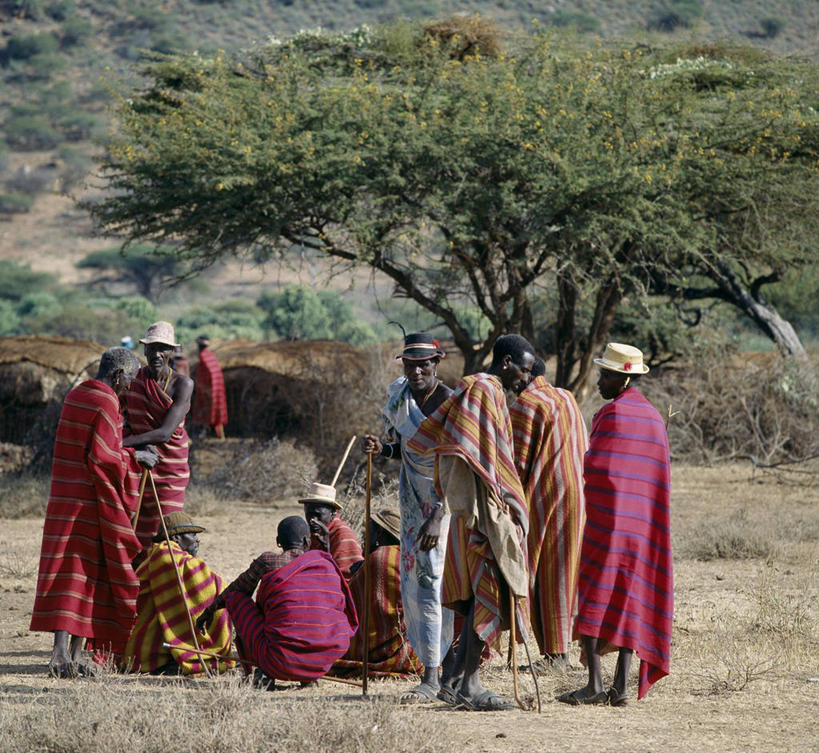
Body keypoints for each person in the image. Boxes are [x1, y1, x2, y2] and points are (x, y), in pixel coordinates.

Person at [407, 333, 535, 711]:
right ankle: (471, 685)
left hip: (480, 508)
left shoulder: (488, 391)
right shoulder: (482, 390)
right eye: (524, 371)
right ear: (507, 362)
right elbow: (458, 453)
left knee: (473, 593)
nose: (525, 380)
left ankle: (455, 678)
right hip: (477, 511)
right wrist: (439, 512)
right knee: (485, 590)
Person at [29, 347, 159, 678]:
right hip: (89, 500)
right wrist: (135, 458)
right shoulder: (105, 401)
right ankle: (61, 657)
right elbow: (103, 457)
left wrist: (126, 451)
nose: (129, 386)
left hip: (64, 498)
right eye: (129, 379)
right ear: (118, 376)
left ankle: (72, 657)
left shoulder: (77, 395)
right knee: (83, 573)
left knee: (74, 574)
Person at [559, 343, 673, 706]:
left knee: (593, 593)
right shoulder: (654, 418)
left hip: (608, 527)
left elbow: (594, 468)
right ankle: (620, 686)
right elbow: (657, 477)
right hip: (641, 527)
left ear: (624, 379)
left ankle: (594, 684)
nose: (599, 381)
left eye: (606, 375)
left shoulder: (611, 414)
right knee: (628, 598)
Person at [361, 332, 455, 703]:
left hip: (441, 504)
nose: (417, 370)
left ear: (436, 364)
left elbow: (454, 464)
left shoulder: (448, 403)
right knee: (416, 584)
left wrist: (439, 514)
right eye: (410, 363)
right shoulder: (401, 398)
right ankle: (436, 671)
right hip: (412, 502)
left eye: (424, 363)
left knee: (435, 584)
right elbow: (403, 448)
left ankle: (435, 677)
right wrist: (381, 449)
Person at [197, 516, 358, 682]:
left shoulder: (268, 561)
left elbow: (237, 589)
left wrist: (208, 612)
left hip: (277, 662)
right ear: (306, 541)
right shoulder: (323, 564)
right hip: (321, 664)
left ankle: (261, 671)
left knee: (236, 598)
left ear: (278, 541)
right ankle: (307, 678)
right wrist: (325, 548)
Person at [510, 356, 587, 671]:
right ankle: (561, 650)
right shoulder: (566, 396)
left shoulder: (525, 406)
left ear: (524, 373)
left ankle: (556, 656)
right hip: (579, 495)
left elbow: (515, 466)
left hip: (546, 499)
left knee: (544, 574)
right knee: (567, 572)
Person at [123, 512, 234, 675]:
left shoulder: (167, 556)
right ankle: (182, 655)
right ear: (175, 538)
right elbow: (212, 586)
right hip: (148, 652)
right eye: (192, 534)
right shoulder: (165, 556)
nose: (197, 540)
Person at [123, 321, 193, 549]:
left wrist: (123, 444)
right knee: (135, 530)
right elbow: (121, 416)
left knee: (168, 530)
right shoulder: (133, 380)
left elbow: (164, 433)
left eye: (162, 348)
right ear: (144, 350)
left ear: (172, 351)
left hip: (170, 468)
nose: (156, 353)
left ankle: (169, 577)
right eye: (151, 348)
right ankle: (140, 580)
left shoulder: (183, 384)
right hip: (137, 465)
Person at [330, 508, 422, 679]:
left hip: (382, 652)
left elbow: (350, 605)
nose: (365, 536)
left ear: (379, 532)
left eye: (369, 530)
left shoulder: (381, 557)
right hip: (415, 653)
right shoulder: (409, 556)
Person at [298, 482, 364, 579]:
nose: (312, 520)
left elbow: (348, 578)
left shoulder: (342, 534)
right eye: (309, 514)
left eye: (318, 515)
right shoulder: (308, 533)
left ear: (332, 514)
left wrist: (326, 549)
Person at [191, 335, 227, 439]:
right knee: (216, 411)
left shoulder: (203, 356)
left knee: (206, 411)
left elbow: (208, 373)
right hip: (217, 389)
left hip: (208, 390)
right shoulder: (211, 355)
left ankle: (205, 433)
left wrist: (204, 387)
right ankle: (218, 435)